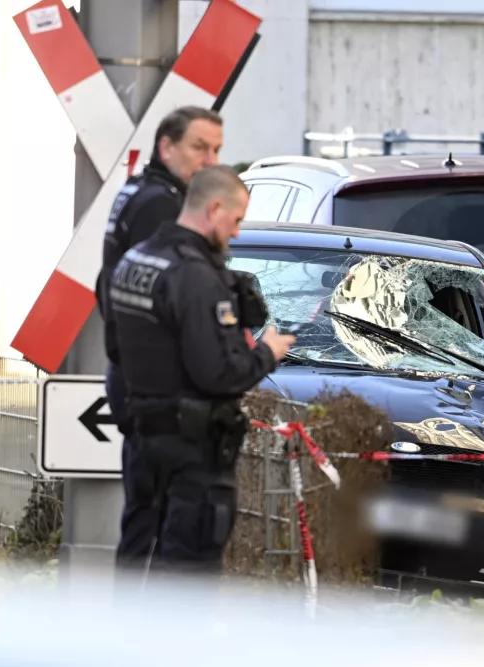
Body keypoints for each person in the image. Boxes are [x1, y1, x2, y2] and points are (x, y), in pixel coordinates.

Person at [108, 165, 296, 577]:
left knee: (138, 551)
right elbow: (218, 373)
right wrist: (267, 352)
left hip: (143, 438)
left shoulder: (135, 259)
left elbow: (119, 346)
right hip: (192, 450)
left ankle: (122, 639)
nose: (237, 233)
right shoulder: (194, 277)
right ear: (213, 209)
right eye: (236, 219)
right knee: (187, 572)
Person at [94, 106, 223, 572]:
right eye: (198, 147)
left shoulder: (139, 191)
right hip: (152, 387)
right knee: (161, 527)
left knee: (144, 517)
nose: (209, 161)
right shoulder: (162, 206)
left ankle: (132, 630)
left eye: (217, 150)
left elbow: (105, 287)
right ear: (166, 146)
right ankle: (143, 634)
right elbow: (156, 303)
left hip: (133, 378)